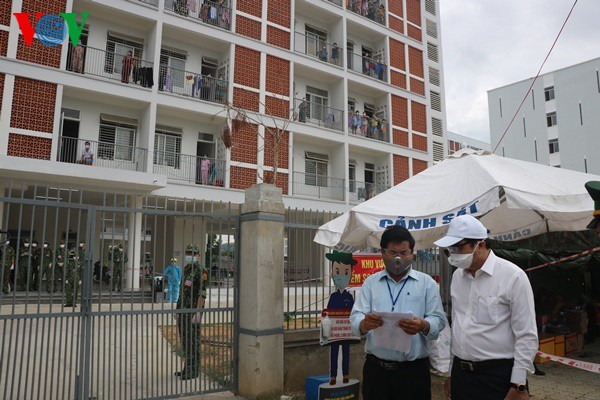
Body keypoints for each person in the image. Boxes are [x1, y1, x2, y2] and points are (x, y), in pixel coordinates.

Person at [434, 215, 538, 400]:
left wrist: (519, 384)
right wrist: (451, 373)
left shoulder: (513, 276)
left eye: (459, 248)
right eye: (450, 249)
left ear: (480, 245)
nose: (454, 254)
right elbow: (457, 327)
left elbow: (526, 334)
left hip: (497, 375)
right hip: (462, 374)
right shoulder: (458, 277)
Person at [350, 225, 446, 400]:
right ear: (382, 252)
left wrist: (423, 325)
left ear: (412, 253)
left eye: (404, 253)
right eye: (392, 253)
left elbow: (438, 320)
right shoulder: (371, 283)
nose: (398, 258)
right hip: (376, 372)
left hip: (413, 372)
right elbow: (356, 316)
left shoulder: (427, 283)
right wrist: (364, 324)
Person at [175, 244, 209, 380]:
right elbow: (182, 292)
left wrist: (198, 312)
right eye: (188, 253)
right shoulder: (186, 269)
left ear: (198, 256)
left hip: (192, 313)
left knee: (193, 341)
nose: (190, 255)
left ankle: (194, 370)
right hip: (182, 311)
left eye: (193, 253)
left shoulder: (201, 271)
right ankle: (187, 367)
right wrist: (177, 310)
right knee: (185, 341)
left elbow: (202, 294)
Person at [325, 251, 358, 385]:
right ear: (333, 274)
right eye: (337, 271)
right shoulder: (333, 296)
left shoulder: (349, 297)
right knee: (334, 352)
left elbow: (354, 312)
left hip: (346, 331)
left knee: (346, 352)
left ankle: (345, 374)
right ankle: (333, 375)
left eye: (346, 272)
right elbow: (328, 312)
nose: (341, 276)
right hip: (335, 331)